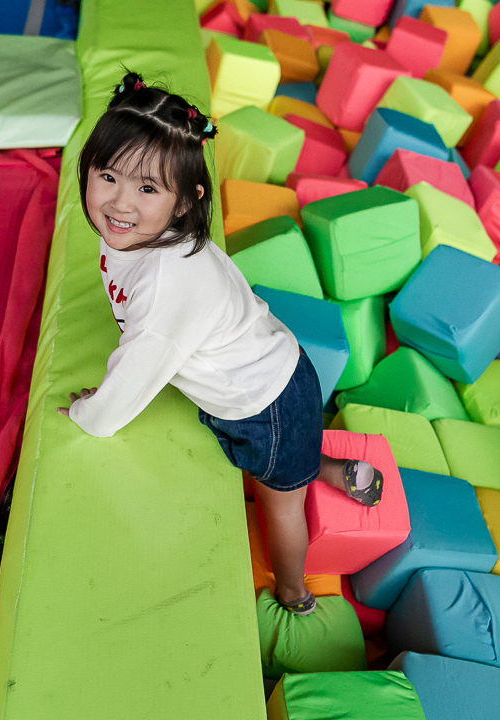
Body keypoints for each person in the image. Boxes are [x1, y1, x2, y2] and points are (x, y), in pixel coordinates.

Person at [58, 71, 383, 616]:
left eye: (147, 188)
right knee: (279, 460)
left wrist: (93, 413)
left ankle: (293, 589)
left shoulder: (169, 281)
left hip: (268, 401)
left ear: (185, 203)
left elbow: (138, 369)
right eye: (107, 175)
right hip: (261, 381)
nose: (119, 202)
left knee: (281, 503)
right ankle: (325, 468)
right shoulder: (139, 236)